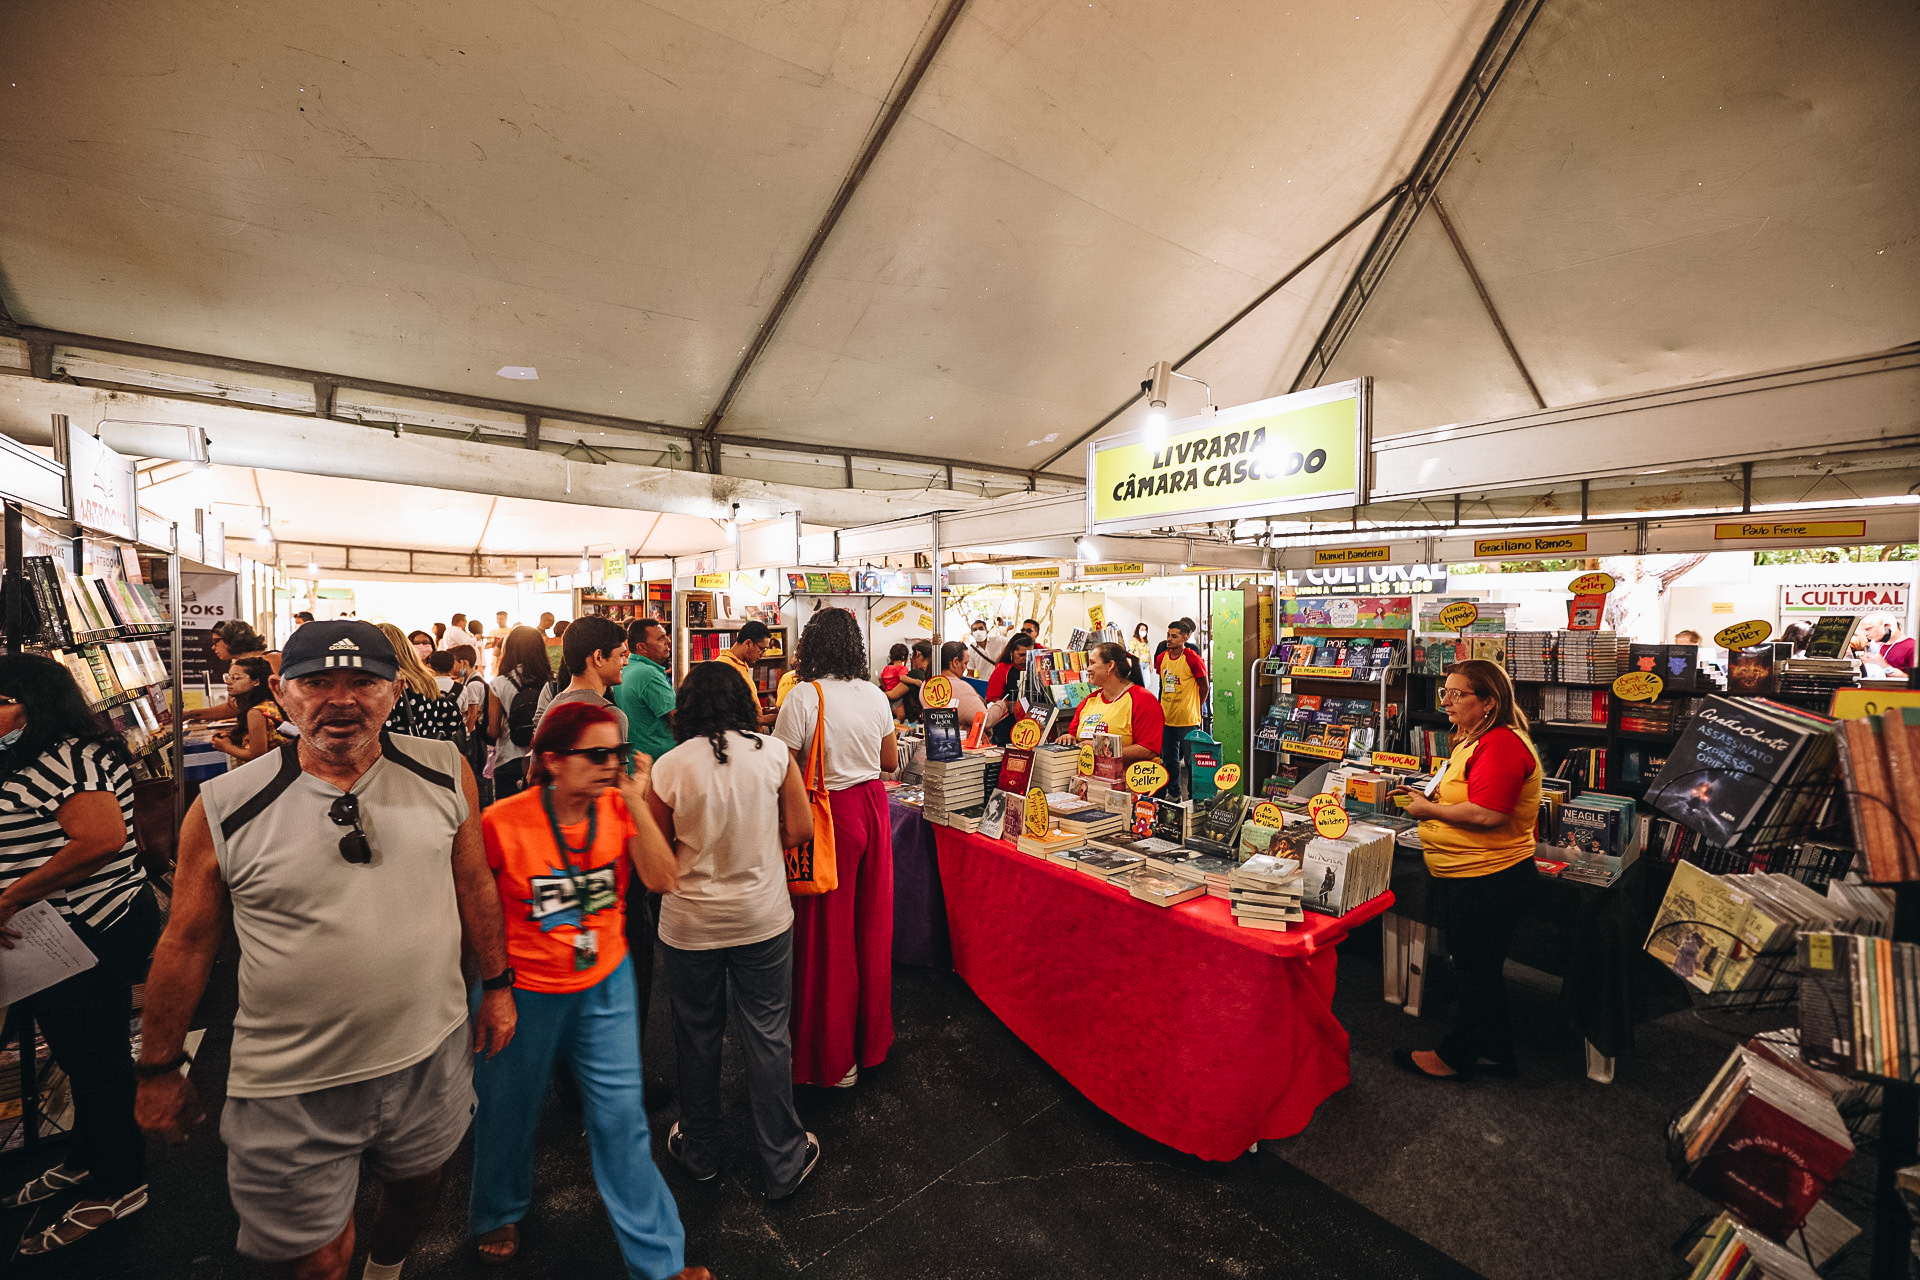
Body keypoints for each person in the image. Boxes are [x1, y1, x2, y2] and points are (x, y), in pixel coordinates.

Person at [135, 621, 517, 1280]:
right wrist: (158, 1068)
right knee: (315, 1261)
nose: (341, 701)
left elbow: (474, 882)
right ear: (281, 694)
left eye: (362, 682)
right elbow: (188, 941)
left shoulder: (445, 771)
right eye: (317, 682)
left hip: (428, 1054)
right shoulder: (226, 806)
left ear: (395, 692)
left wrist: (500, 985)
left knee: (418, 1187)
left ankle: (386, 1268)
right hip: (289, 1085)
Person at [470, 702, 708, 1279]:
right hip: (524, 990)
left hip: (606, 986)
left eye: (618, 754)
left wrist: (633, 798)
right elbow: (477, 913)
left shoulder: (618, 810)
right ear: (552, 761)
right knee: (508, 1108)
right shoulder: (503, 822)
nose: (611, 765)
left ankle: (660, 1263)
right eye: (597, 755)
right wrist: (494, 990)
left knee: (621, 1121)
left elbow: (662, 879)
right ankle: (496, 1210)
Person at [0, 654, 161, 1256]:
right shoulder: (34, 756)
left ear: (31, 704)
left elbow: (100, 838)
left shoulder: (68, 757)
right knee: (81, 1051)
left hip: (85, 931)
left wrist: (11, 897)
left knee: (96, 1058)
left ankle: (122, 1183)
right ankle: (90, 1156)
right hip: (59, 934)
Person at [652, 664, 820, 1197]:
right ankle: (783, 1160)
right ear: (744, 704)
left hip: (689, 923)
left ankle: (700, 1150)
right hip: (762, 916)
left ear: (689, 706)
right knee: (769, 1034)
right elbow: (799, 828)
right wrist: (753, 838)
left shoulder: (670, 765)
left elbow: (656, 854)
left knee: (697, 1034)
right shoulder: (773, 753)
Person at [1390, 658, 1542, 1082]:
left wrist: (1428, 809)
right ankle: (1497, 1051)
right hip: (1468, 873)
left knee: (1476, 971)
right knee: (1477, 968)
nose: (1447, 702)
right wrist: (1424, 796)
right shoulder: (1474, 740)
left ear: (1489, 702)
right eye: (1445, 692)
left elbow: (1490, 814)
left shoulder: (1502, 744)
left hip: (1488, 878)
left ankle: (1457, 1056)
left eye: (1458, 694)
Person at [771, 608, 899, 1089]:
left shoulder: (804, 695)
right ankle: (871, 1041)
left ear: (810, 646)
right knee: (871, 925)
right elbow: (889, 761)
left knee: (827, 932)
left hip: (828, 812)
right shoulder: (874, 693)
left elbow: (784, 769)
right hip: (873, 806)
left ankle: (833, 1055)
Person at [1060, 642, 1163, 763]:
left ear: (1110, 666)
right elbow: (1075, 736)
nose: (1088, 669)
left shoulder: (1143, 700)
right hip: (1089, 778)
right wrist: (1068, 738)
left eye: (1092, 663)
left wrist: (1102, 750)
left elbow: (1149, 750)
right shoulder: (1089, 701)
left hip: (1128, 778)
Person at [534, 614, 630, 741]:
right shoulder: (609, 716)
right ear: (598, 657)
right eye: (621, 655)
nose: (625, 662)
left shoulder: (553, 708)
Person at [491, 625, 555, 798]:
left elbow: (493, 730)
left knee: (507, 819)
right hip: (544, 762)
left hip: (508, 760)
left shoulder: (499, 683)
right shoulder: (551, 682)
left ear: (510, 649)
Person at [379, 622, 466, 743]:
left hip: (394, 757)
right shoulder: (425, 681)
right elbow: (453, 718)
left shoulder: (386, 685)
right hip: (424, 756)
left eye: (425, 643)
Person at [184, 621, 278, 725]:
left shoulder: (273, 659)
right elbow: (232, 708)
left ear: (231, 640)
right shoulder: (236, 666)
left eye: (216, 641)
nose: (213, 647)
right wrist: (190, 714)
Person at [1155, 621, 1209, 796]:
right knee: (1169, 759)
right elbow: (1163, 684)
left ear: (1185, 637)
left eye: (1174, 636)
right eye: (1168, 635)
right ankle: (1174, 794)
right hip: (1166, 718)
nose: (1169, 639)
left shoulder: (1193, 658)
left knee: (1192, 761)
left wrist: (1197, 707)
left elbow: (1204, 686)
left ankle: (1194, 798)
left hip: (1188, 719)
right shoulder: (1161, 658)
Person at [207, 656, 286, 765]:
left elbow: (257, 755)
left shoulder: (256, 712)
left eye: (235, 678)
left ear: (256, 681)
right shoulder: (269, 704)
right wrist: (234, 737)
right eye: (228, 677)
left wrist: (226, 747)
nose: (228, 682)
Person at [715, 620, 775, 727]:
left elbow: (739, 705)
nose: (764, 655)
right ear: (748, 643)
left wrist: (763, 711)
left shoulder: (742, 664)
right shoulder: (723, 666)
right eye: (762, 649)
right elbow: (722, 712)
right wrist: (762, 720)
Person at [984, 632, 1037, 746]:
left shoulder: (1037, 669)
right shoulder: (1003, 669)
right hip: (1006, 725)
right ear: (1012, 653)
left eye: (1029, 655)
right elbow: (992, 698)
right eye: (1021, 655)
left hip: (1032, 724)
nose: (1025, 659)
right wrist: (1010, 705)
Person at [936, 640, 989, 729]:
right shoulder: (961, 687)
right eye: (965, 663)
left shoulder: (927, 684)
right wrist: (1000, 706)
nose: (965, 668)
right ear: (955, 662)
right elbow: (984, 720)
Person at [886, 641, 932, 723]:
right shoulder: (932, 674)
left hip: (912, 721)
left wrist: (877, 692)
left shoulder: (915, 674)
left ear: (917, 654)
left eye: (911, 655)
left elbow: (892, 695)